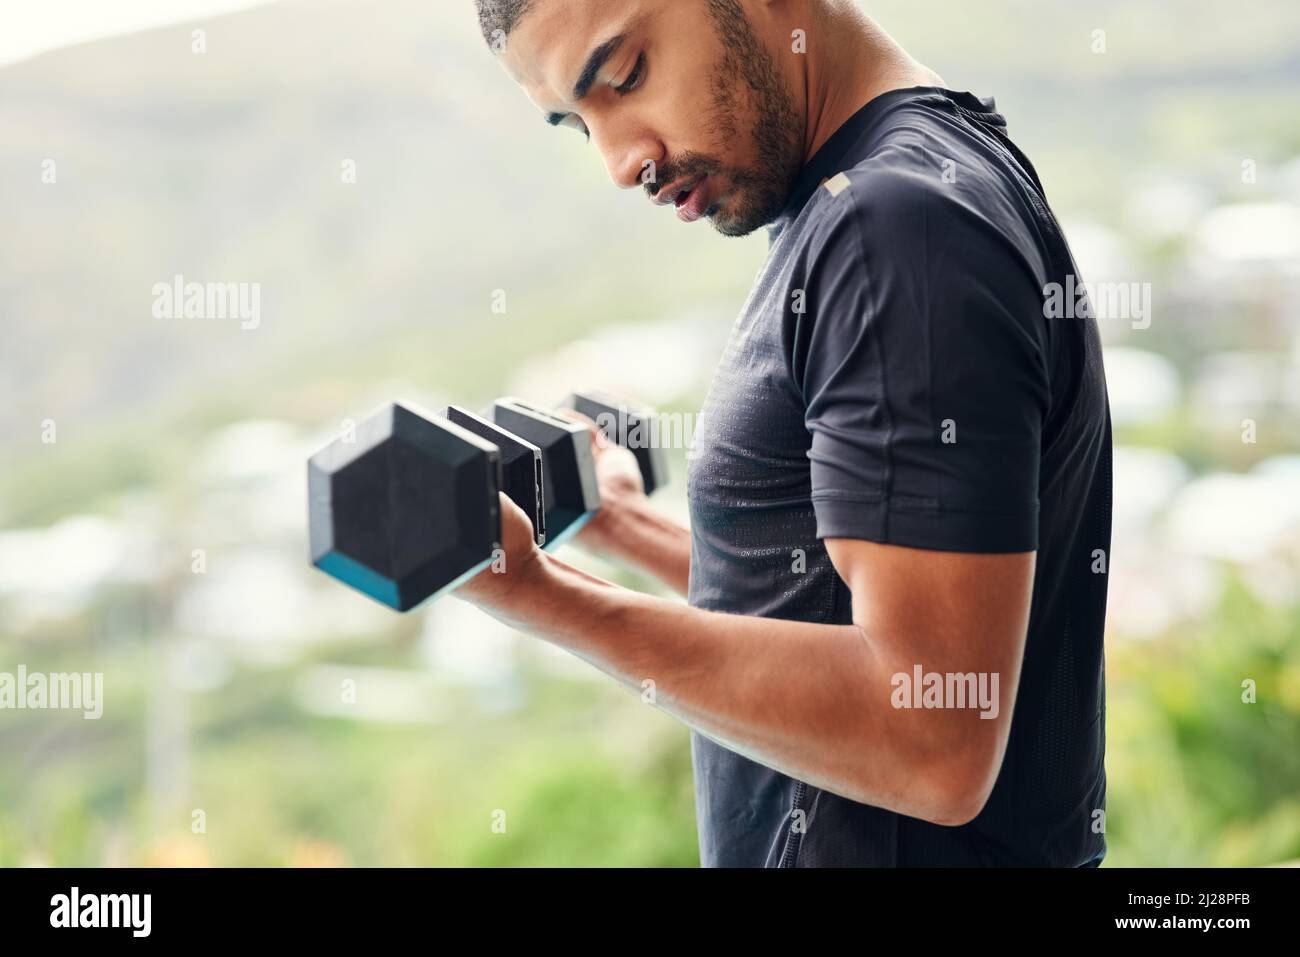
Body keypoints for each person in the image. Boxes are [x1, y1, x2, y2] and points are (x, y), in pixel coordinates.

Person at [462, 0, 1112, 867]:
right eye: (581, 125)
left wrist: (539, 594)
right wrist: (620, 528)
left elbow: (934, 736)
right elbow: (837, 600)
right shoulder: (892, 191)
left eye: (624, 76)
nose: (622, 163)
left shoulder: (894, 230)